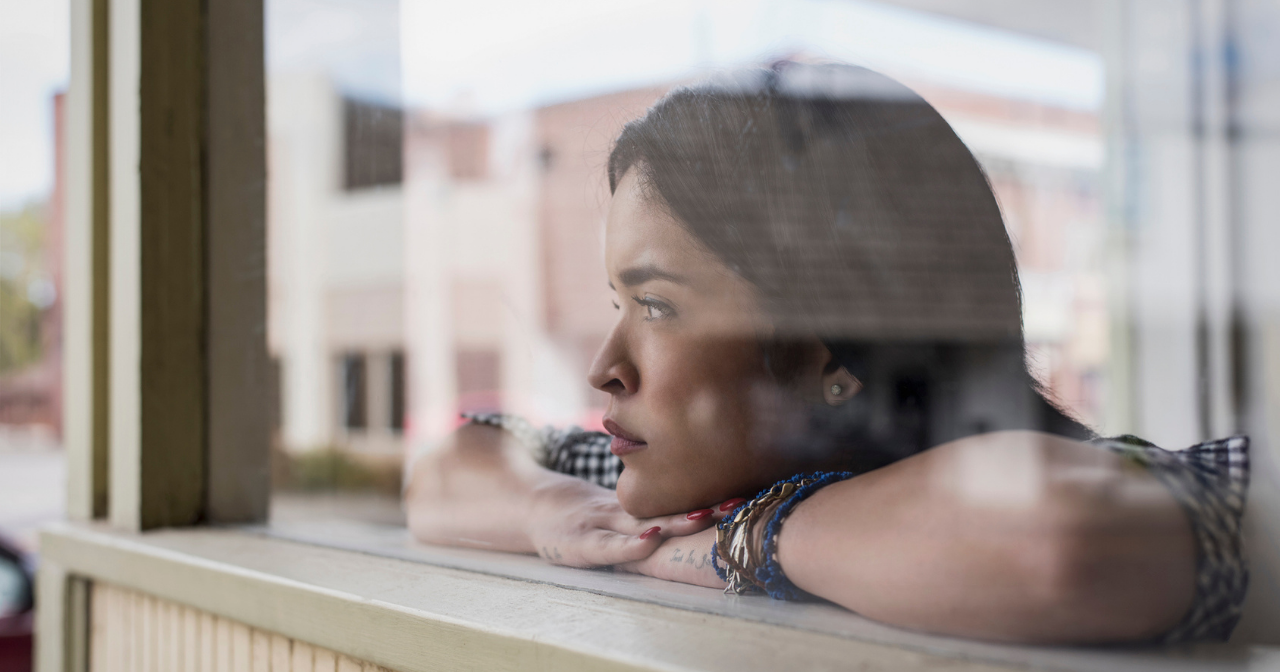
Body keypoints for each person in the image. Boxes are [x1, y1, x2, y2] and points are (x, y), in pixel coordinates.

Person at [404, 62, 1249, 645]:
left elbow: (1062, 548)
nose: (605, 366)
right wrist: (552, 515)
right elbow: (453, 461)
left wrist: (735, 545)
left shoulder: (1170, 493)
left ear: (833, 355)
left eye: (657, 305)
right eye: (617, 303)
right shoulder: (694, 485)